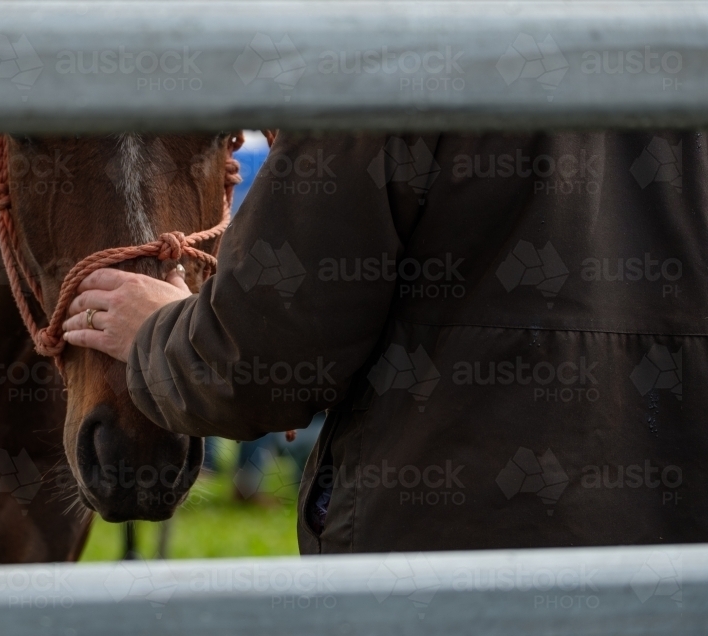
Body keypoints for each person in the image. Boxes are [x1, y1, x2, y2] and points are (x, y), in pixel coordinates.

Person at [62, 132, 707, 554]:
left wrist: (158, 329)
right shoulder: (672, 41)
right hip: (671, 565)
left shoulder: (385, 36)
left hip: (442, 563)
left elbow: (261, 360)